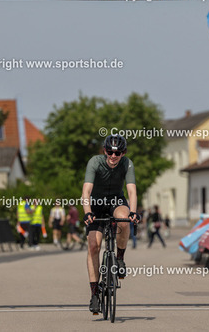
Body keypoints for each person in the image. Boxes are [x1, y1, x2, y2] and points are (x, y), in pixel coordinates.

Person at [82, 134, 140, 315]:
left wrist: (133, 212)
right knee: (94, 246)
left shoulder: (127, 164)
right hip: (96, 204)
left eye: (118, 153)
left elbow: (132, 191)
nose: (114, 156)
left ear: (124, 153)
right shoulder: (95, 162)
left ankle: (120, 258)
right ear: (104, 151)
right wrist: (88, 212)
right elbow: (86, 191)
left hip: (116, 201)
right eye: (110, 152)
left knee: (124, 220)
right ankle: (94, 294)